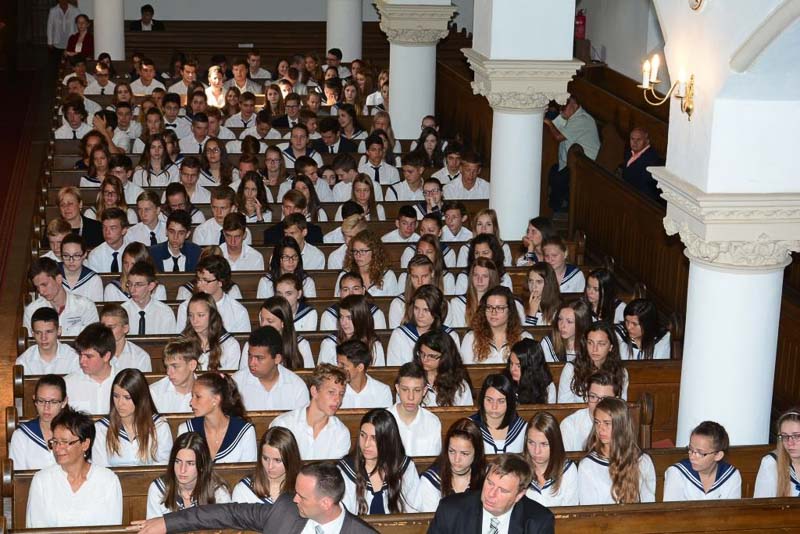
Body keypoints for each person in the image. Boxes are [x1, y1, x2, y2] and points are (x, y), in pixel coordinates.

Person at [133, 462, 377, 534]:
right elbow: (227, 513)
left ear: (325, 503)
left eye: (302, 497)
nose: (294, 499)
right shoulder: (285, 510)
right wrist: (168, 522)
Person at [26, 407, 122, 528]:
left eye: (65, 442)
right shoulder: (41, 480)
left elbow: (111, 528)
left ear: (85, 444)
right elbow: (36, 527)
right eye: (55, 442)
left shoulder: (107, 480)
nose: (57, 448)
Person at [427, 454, 554, 534]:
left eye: (502, 490)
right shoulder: (450, 510)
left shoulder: (538, 522)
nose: (491, 494)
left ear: (519, 495)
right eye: (490, 483)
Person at [338, 409, 420, 515]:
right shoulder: (346, 470)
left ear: (388, 440)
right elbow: (344, 516)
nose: (366, 444)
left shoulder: (404, 468)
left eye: (374, 438)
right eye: (363, 435)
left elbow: (414, 511)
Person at [578, 397, 656, 504]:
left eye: (607, 423)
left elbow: (649, 504)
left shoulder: (643, 461)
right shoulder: (588, 465)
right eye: (597, 422)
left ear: (621, 425)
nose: (600, 429)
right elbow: (589, 508)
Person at [92, 368, 172, 467]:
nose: (120, 403)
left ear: (140, 398)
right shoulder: (101, 428)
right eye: (116, 396)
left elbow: (164, 465)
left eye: (127, 397)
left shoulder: (159, 426)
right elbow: (100, 468)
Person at [269, 364, 350, 460]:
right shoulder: (284, 424)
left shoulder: (341, 432)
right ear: (314, 391)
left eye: (341, 394)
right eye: (331, 392)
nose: (338, 400)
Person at [145, 432, 230, 519]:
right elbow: (152, 526)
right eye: (178, 462)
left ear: (202, 465)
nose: (182, 470)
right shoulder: (159, 489)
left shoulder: (218, 492)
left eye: (190, 463)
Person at [177, 372, 257, 463]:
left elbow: (249, 469)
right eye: (192, 396)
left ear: (215, 400)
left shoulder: (244, 431)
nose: (191, 402)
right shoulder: (186, 429)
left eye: (198, 397)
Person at [415, 418, 485, 512]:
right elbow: (432, 518)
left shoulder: (488, 478)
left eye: (464, 453)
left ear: (477, 453)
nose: (456, 459)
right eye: (452, 451)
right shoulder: (431, 480)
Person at [233, 326, 309, 410]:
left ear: (277, 359)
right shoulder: (237, 382)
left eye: (259, 358)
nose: (251, 363)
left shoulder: (297, 387)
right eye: (250, 356)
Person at [545, 94, 600, 212]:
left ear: (574, 105)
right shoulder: (571, 115)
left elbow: (559, 137)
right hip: (572, 161)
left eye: (564, 107)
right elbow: (556, 123)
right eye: (561, 107)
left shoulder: (582, 119)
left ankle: (557, 208)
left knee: (557, 178)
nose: (561, 110)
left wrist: (549, 123)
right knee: (552, 172)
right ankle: (558, 204)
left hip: (586, 164)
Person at [663, 420, 741, 501]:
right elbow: (671, 508)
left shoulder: (731, 475)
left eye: (700, 453)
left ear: (718, 455)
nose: (692, 456)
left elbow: (732, 508)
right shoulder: (677, 473)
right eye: (690, 449)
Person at [175, 255, 251, 333]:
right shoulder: (185, 307)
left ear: (220, 282)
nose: (199, 285)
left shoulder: (238, 311)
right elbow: (182, 338)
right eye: (198, 279)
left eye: (206, 280)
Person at [386, 285, 460, 366]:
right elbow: (393, 370)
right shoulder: (400, 335)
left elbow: (454, 369)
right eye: (416, 308)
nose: (420, 315)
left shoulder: (450, 336)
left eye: (426, 310)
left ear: (437, 311)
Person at [24, 257, 98, 337]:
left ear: (59, 279)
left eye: (44, 285)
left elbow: (94, 341)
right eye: (37, 287)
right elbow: (31, 342)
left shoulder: (86, 307)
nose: (41, 291)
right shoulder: (32, 310)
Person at [559, 321, 629, 403]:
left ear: (611, 347)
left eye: (601, 344)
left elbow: (621, 405)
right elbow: (565, 405)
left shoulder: (621, 372)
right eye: (590, 343)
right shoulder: (571, 369)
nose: (594, 349)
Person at [9, 375, 68, 470]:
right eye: (41, 401)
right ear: (34, 400)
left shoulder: (75, 432)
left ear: (64, 402)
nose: (46, 408)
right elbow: (18, 477)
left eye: (53, 402)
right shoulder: (22, 435)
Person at [461, 286, 532, 365]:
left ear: (510, 311)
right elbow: (465, 370)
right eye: (489, 307)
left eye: (499, 308)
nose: (493, 312)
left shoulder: (524, 338)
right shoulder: (471, 338)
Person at [233, 427, 301, 504]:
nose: (270, 466)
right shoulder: (244, 490)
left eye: (277, 460)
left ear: (290, 459)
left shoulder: (303, 489)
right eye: (265, 458)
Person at [523, 412, 579, 506]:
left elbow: (570, 512)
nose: (537, 451)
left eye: (544, 444)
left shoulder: (568, 470)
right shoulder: (519, 469)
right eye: (531, 443)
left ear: (555, 443)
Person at [388, 362, 442, 457]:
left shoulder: (432, 422)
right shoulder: (384, 420)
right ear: (397, 389)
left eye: (417, 390)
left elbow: (433, 460)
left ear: (424, 391)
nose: (411, 397)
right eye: (405, 390)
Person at [560, 371, 621, 452]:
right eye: (593, 397)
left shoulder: (623, 423)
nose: (598, 404)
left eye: (605, 399)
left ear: (616, 400)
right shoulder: (569, 425)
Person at [319, 295, 385, 367]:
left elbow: (378, 372)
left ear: (361, 318)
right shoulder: (330, 343)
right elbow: (322, 372)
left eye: (349, 318)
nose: (343, 323)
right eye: (341, 317)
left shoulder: (374, 345)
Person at [413, 329, 473, 407]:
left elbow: (466, 412)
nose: (425, 359)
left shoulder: (460, 385)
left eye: (432, 356)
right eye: (422, 354)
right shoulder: (411, 378)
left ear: (445, 357)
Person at [181, 293, 241, 371]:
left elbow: (229, 377)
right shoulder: (182, 343)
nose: (195, 321)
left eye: (201, 315)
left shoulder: (230, 345)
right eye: (191, 315)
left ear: (212, 315)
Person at [471, 374, 527, 454]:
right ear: (482, 399)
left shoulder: (523, 428)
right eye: (489, 400)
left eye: (501, 401)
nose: (494, 407)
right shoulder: (470, 427)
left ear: (509, 402)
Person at [120, 261, 177, 335]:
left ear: (151, 286)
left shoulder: (165, 312)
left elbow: (169, 340)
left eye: (138, 284)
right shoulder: (122, 311)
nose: (132, 290)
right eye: (130, 284)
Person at [754, 408, 800, 497]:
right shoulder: (771, 463)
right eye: (784, 436)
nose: (790, 443)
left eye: (797, 436)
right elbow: (762, 503)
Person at [339, 229, 398, 297]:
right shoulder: (345, 274)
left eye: (363, 251)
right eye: (355, 251)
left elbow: (393, 301)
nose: (358, 255)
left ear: (374, 252)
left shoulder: (388, 275)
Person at [319, 272, 388, 331]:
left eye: (355, 289)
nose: (351, 293)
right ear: (340, 293)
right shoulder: (330, 315)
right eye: (346, 289)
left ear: (363, 291)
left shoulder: (375, 313)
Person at [336, 339, 392, 409]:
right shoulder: (334, 390)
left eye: (343, 365)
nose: (338, 368)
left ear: (360, 367)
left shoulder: (382, 391)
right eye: (338, 363)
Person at [149, 339, 199, 414]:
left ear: (192, 365)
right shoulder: (154, 393)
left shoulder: (207, 393)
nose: (168, 372)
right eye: (167, 367)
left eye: (175, 366)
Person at [99, 303, 152, 372]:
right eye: (103, 327)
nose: (106, 331)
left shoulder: (140, 357)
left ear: (125, 328)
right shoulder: (95, 355)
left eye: (111, 327)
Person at [505, 338, 556, 404]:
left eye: (518, 366)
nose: (512, 369)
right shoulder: (506, 382)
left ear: (531, 367)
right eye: (511, 363)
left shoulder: (547, 388)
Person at [621, 127, 663, 203]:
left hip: (640, 200)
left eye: (639, 139)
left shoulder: (652, 159)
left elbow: (645, 186)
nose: (635, 142)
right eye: (632, 139)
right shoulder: (629, 152)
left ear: (647, 141)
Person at [56, 234, 101, 302]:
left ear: (84, 255)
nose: (71, 260)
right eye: (66, 255)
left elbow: (96, 307)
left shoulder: (93, 280)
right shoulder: (52, 274)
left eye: (76, 255)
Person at [85, 208, 129, 274]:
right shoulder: (95, 255)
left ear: (124, 230)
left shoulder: (134, 253)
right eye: (104, 227)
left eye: (112, 228)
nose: (107, 232)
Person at [524, 263, 561, 327]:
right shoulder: (520, 305)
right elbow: (524, 333)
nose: (533, 286)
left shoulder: (559, 307)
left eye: (539, 282)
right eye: (530, 281)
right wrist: (531, 314)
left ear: (548, 283)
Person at [46, 0, 80, 66]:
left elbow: (79, 26)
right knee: (56, 63)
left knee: (71, 63)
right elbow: (50, 27)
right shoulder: (53, 11)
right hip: (57, 42)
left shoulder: (75, 10)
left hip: (71, 42)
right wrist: (50, 42)